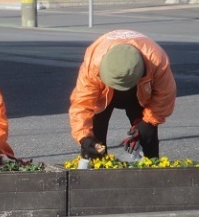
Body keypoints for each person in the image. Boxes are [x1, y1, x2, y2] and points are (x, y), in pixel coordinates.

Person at [69, 29, 176, 160]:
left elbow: (165, 95)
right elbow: (82, 102)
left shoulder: (156, 59)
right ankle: (96, 172)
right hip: (103, 91)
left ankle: (151, 171)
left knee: (147, 136)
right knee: (93, 141)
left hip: (139, 93)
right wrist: (84, 137)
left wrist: (149, 123)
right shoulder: (94, 62)